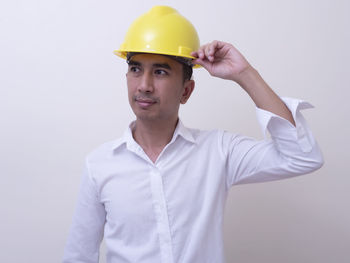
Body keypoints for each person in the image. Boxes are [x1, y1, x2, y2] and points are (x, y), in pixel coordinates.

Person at [62, 5, 323, 263]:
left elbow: (302, 156)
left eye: (160, 71)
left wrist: (244, 74)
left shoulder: (218, 151)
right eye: (135, 68)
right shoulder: (99, 165)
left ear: (186, 91)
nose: (144, 85)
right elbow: (79, 256)